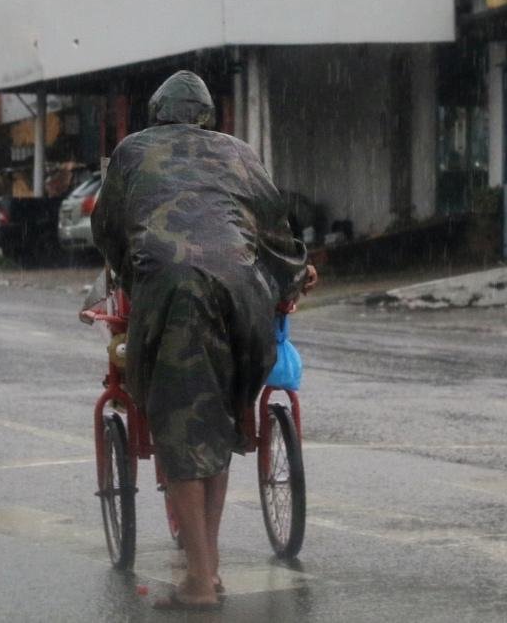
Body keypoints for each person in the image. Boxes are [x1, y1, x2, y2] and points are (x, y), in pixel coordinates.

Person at [91, 70, 314, 610]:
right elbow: (277, 234)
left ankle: (198, 582)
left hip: (175, 295)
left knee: (183, 429)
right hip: (244, 297)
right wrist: (296, 271)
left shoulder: (131, 152)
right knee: (220, 425)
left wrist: (130, 271)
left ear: (157, 112)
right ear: (207, 116)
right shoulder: (239, 152)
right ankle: (206, 568)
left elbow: (108, 232)